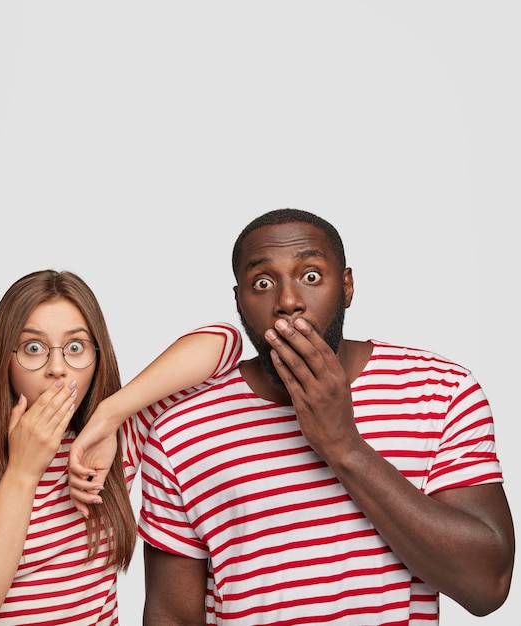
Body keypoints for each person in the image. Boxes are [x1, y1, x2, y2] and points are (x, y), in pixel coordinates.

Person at [139, 208, 515, 625]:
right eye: (262, 282)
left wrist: (344, 446)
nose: (288, 302)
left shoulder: (438, 392)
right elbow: (171, 614)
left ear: (348, 286)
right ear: (239, 301)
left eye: (311, 275)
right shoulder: (182, 431)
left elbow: (487, 586)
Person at [0, 269, 241, 626]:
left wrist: (110, 415)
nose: (57, 368)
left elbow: (224, 343)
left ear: (97, 355)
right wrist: (24, 471)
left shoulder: (111, 440)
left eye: (75, 348)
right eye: (33, 348)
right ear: (4, 358)